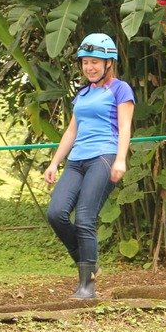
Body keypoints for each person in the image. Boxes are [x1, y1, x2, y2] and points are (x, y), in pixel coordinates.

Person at [43, 33, 134, 299]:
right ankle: (89, 263)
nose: (89, 67)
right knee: (56, 213)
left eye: (95, 62)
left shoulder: (120, 89)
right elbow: (71, 131)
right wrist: (54, 163)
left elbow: (126, 126)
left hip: (103, 156)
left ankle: (87, 286)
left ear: (109, 63)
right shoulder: (82, 93)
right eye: (85, 62)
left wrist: (120, 159)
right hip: (77, 160)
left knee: (85, 217)